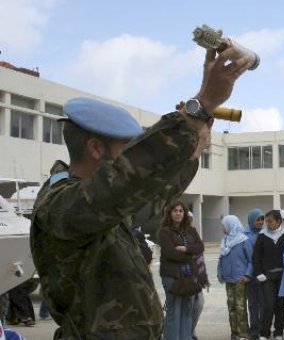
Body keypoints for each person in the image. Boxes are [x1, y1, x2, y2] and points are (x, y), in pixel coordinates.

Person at [30, 45, 250, 338]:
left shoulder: (103, 207)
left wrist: (193, 152)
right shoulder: (62, 206)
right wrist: (201, 105)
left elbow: (151, 195)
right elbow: (126, 178)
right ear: (96, 149)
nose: (131, 157)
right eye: (126, 149)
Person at [159, 201, 205, 340]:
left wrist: (186, 249)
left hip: (190, 276)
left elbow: (200, 247)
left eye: (180, 211)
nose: (178, 213)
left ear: (184, 213)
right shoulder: (164, 232)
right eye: (175, 211)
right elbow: (169, 253)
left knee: (187, 310)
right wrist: (191, 256)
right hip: (171, 276)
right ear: (169, 213)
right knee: (174, 310)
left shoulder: (191, 230)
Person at [252, 209, 284, 340]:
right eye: (266, 221)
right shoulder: (262, 235)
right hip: (267, 277)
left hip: (283, 276)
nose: (267, 224)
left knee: (280, 305)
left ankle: (279, 332)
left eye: (270, 221)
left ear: (279, 221)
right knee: (268, 305)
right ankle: (264, 332)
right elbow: (256, 256)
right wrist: (259, 273)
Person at [218, 215, 253, 340]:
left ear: (231, 225)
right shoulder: (225, 240)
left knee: (240, 306)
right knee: (231, 305)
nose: (223, 228)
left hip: (240, 279)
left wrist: (247, 275)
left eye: (224, 226)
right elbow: (221, 258)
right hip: (228, 279)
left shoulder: (244, 240)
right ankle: (234, 333)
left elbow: (251, 260)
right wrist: (219, 272)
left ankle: (243, 333)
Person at [245, 209, 265, 340]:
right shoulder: (245, 235)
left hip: (263, 275)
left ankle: (263, 329)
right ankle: (254, 330)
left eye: (262, 219)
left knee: (264, 303)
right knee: (253, 304)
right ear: (252, 220)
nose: (260, 222)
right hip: (251, 275)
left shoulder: (265, 233)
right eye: (258, 219)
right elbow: (248, 257)